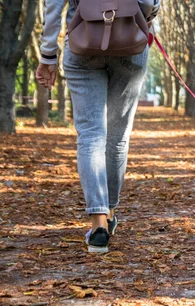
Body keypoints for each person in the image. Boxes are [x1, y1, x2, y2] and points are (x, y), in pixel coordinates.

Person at [36, 0, 161, 253]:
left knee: (91, 135)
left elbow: (53, 5)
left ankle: (98, 226)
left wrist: (48, 53)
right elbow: (149, 1)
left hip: (83, 43)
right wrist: (146, 19)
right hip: (130, 43)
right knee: (117, 137)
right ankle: (110, 213)